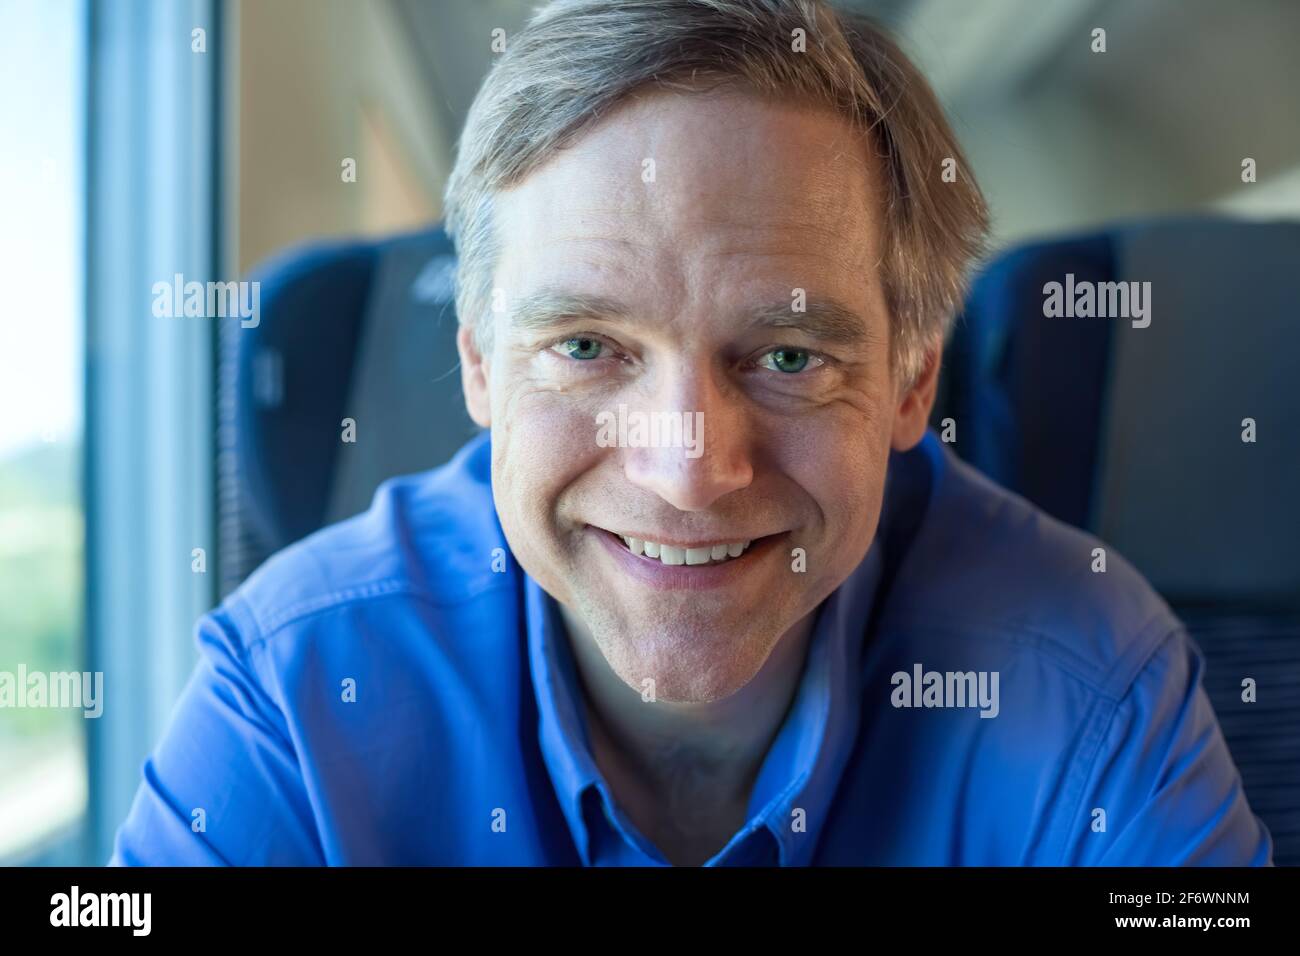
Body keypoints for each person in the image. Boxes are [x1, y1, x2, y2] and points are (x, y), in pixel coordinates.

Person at [110, 0, 1271, 866]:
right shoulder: (293, 694)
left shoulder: (1087, 683)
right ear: (477, 363)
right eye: (586, 345)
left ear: (913, 379)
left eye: (785, 357)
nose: (688, 473)